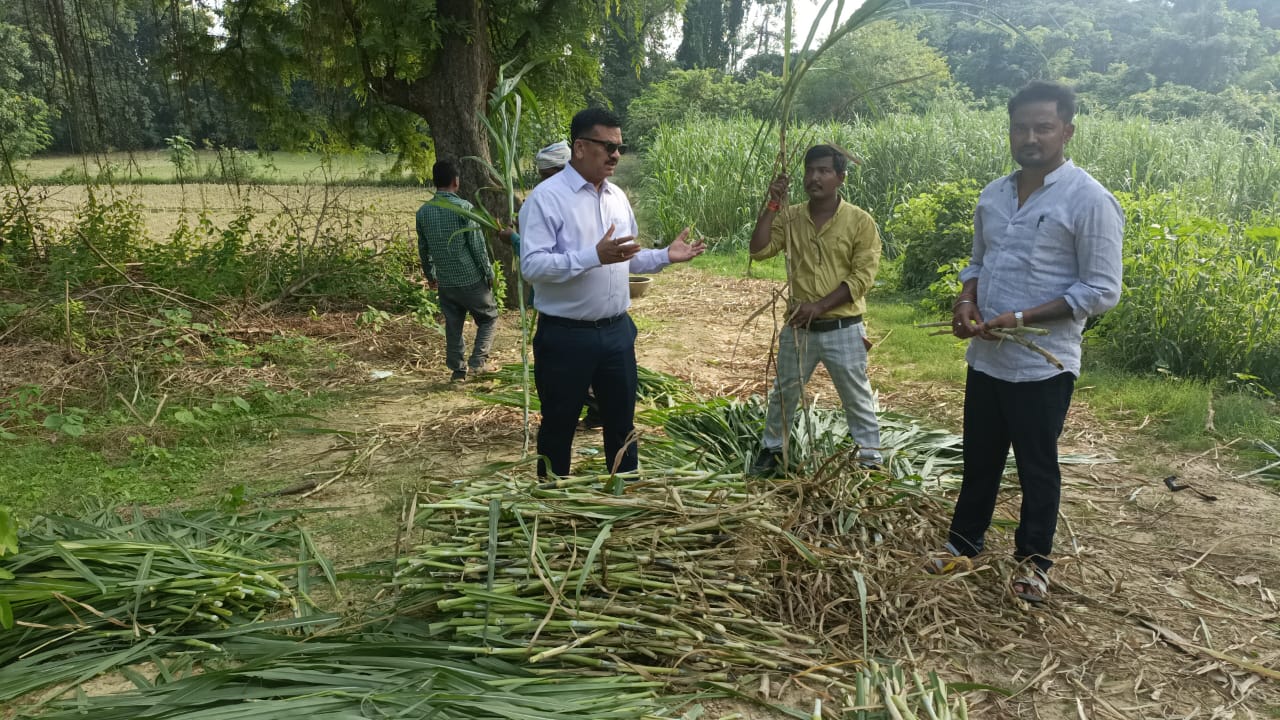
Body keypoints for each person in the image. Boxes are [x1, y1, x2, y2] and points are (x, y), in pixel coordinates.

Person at [930, 81, 1123, 604]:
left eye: (1043, 127)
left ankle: (1034, 561)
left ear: (1067, 130)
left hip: (1044, 363)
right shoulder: (993, 195)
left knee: (1037, 466)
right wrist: (965, 302)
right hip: (987, 355)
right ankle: (963, 543)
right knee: (980, 457)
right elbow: (978, 263)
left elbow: (1101, 289)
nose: (1030, 137)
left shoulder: (1089, 198)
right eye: (1021, 127)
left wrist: (1021, 317)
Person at [517, 107, 705, 478]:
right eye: (608, 146)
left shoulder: (617, 197)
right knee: (560, 424)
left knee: (621, 424)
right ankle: (552, 501)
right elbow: (532, 266)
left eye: (619, 147)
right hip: (565, 335)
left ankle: (625, 493)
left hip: (617, 332)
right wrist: (592, 256)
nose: (616, 155)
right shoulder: (547, 198)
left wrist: (665, 255)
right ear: (581, 147)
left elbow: (626, 259)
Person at [747, 144, 884, 477]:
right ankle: (772, 449)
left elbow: (862, 276)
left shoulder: (860, 222)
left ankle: (870, 460)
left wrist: (819, 306)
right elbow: (760, 250)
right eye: (810, 170)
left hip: (843, 328)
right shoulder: (791, 216)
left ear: (841, 177)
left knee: (857, 397)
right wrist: (773, 204)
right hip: (799, 329)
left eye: (824, 171)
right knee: (784, 393)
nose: (814, 177)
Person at [500, 141, 603, 429]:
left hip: (572, 314)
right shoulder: (550, 199)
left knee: (571, 371)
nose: (545, 183)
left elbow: (548, 259)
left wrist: (515, 240)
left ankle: (592, 411)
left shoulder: (582, 199)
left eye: (549, 175)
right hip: (568, 309)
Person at [416, 158, 498, 383]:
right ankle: (477, 362)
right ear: (456, 181)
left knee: (453, 326)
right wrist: (488, 273)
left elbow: (423, 248)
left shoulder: (424, 212)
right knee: (489, 317)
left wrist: (430, 275)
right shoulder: (464, 209)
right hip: (470, 278)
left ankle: (457, 372)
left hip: (446, 281)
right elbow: (478, 246)